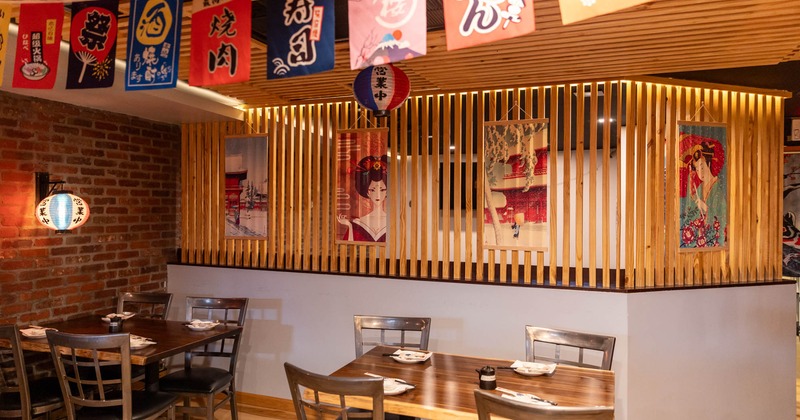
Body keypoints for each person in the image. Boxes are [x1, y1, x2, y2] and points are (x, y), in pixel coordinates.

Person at [680, 137, 727, 248]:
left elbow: (723, 216)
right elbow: (691, 212)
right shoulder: (699, 188)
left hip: (714, 238)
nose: (699, 172)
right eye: (696, 169)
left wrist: (705, 208)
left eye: (702, 167)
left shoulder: (718, 187)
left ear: (709, 164)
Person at [337, 155, 388, 242]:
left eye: (382, 189)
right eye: (372, 190)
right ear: (368, 192)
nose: (377, 195)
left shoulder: (392, 220)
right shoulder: (358, 223)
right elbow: (349, 246)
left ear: (386, 192)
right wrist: (349, 225)